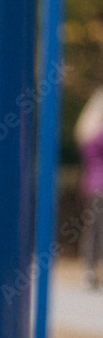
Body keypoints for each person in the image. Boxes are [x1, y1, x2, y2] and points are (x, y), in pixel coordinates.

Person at [74, 86, 103, 290]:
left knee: (92, 230)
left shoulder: (86, 130)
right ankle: (92, 270)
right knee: (97, 230)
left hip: (91, 185)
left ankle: (89, 270)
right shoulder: (99, 133)